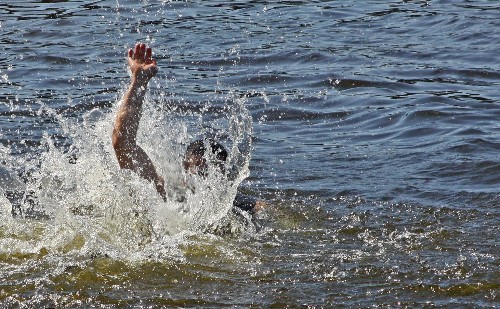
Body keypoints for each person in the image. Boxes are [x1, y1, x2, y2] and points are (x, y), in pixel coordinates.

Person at [112, 43, 265, 213]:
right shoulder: (168, 195)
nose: (204, 179)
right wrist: (138, 83)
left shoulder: (235, 203)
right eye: (198, 171)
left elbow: (269, 211)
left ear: (225, 176)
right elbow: (122, 143)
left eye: (212, 172)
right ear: (185, 170)